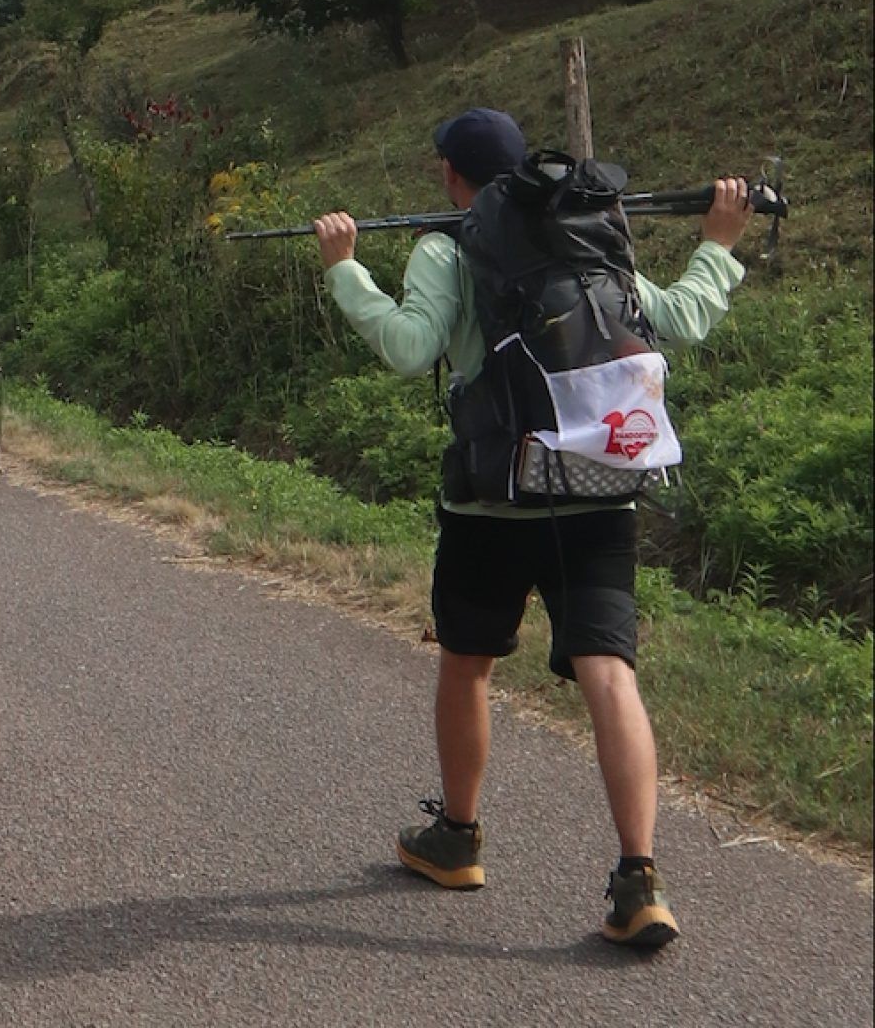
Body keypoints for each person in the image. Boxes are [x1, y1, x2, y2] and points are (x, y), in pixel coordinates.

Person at [314, 106, 752, 952]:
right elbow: (682, 321)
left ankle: (459, 839)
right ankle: (639, 881)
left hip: (492, 498)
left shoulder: (448, 247)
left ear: (451, 177)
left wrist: (344, 269)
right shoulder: (595, 236)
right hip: (600, 492)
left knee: (468, 664)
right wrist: (719, 243)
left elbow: (409, 347)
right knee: (609, 675)